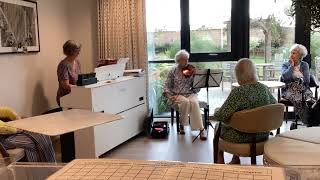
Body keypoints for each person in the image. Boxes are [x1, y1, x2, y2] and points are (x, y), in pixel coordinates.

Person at [214, 58, 277, 164]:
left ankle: (220, 162)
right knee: (240, 120)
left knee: (218, 127)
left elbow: (221, 116)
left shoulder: (238, 92)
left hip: (241, 138)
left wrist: (216, 111)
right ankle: (235, 159)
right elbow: (274, 105)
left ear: (238, 74)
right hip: (263, 135)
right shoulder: (264, 88)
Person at [163, 50, 207, 140]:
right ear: (178, 61)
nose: (187, 62)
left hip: (191, 93)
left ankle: (201, 129)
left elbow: (197, 89)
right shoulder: (173, 71)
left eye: (187, 59)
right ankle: (182, 124)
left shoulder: (191, 69)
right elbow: (167, 85)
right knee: (185, 102)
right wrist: (169, 96)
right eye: (184, 60)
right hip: (177, 94)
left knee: (194, 103)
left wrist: (197, 79)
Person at [280, 44, 314, 122]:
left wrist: (294, 78)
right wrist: (291, 66)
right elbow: (285, 77)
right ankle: (307, 120)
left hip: (303, 89)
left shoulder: (305, 65)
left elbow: (307, 81)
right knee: (300, 97)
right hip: (289, 90)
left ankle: (311, 118)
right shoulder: (285, 64)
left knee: (309, 100)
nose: (291, 55)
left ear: (300, 55)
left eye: (294, 53)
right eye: (291, 53)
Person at [56, 40, 81, 106]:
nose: (79, 52)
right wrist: (80, 89)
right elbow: (65, 85)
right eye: (77, 50)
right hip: (65, 97)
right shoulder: (63, 65)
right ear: (71, 51)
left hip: (77, 95)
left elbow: (79, 79)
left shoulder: (77, 62)